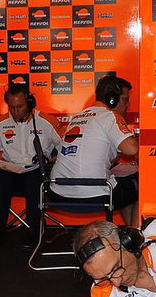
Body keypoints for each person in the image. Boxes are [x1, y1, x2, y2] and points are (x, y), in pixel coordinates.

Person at [50, 74, 140, 227]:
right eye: (125, 99)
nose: (128, 104)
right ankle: (133, 237)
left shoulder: (77, 117)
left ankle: (128, 234)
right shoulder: (109, 116)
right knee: (140, 182)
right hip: (93, 194)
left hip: (57, 191)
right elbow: (131, 149)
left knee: (124, 182)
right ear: (112, 99)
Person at [0, 86, 60, 249]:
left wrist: (54, 159)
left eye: (20, 106)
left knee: (34, 186)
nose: (15, 111)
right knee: (0, 185)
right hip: (9, 170)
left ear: (30, 103)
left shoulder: (47, 122)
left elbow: (65, 147)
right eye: (11, 107)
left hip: (35, 170)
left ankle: (35, 235)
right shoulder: (0, 124)